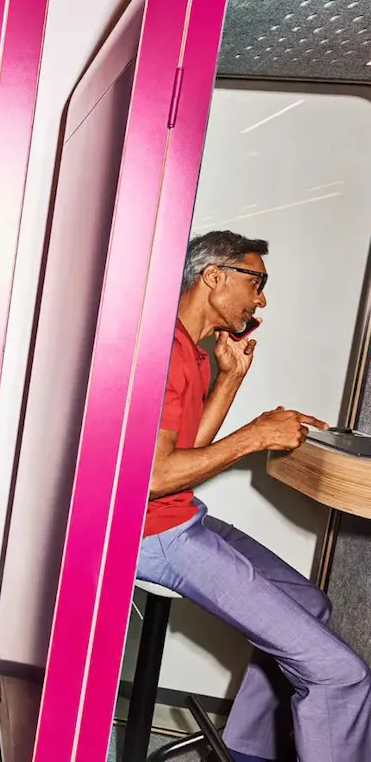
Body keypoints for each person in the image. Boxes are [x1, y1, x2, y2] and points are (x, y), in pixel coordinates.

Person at [139, 230, 371, 762]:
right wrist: (256, 435)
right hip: (151, 533)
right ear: (214, 276)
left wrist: (230, 378)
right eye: (257, 282)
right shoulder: (163, 350)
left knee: (311, 605)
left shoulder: (192, 353)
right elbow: (154, 478)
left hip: (180, 517)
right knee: (343, 675)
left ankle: (248, 751)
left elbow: (187, 457)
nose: (261, 298)